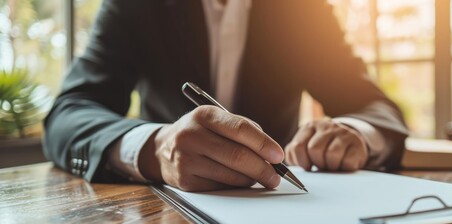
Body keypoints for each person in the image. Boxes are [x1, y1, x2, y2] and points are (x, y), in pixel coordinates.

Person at [43, 0, 408, 192]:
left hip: (277, 201)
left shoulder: (302, 10)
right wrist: (154, 147)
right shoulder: (136, 5)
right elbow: (69, 112)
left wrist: (353, 131)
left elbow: (375, 107)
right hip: (168, 208)